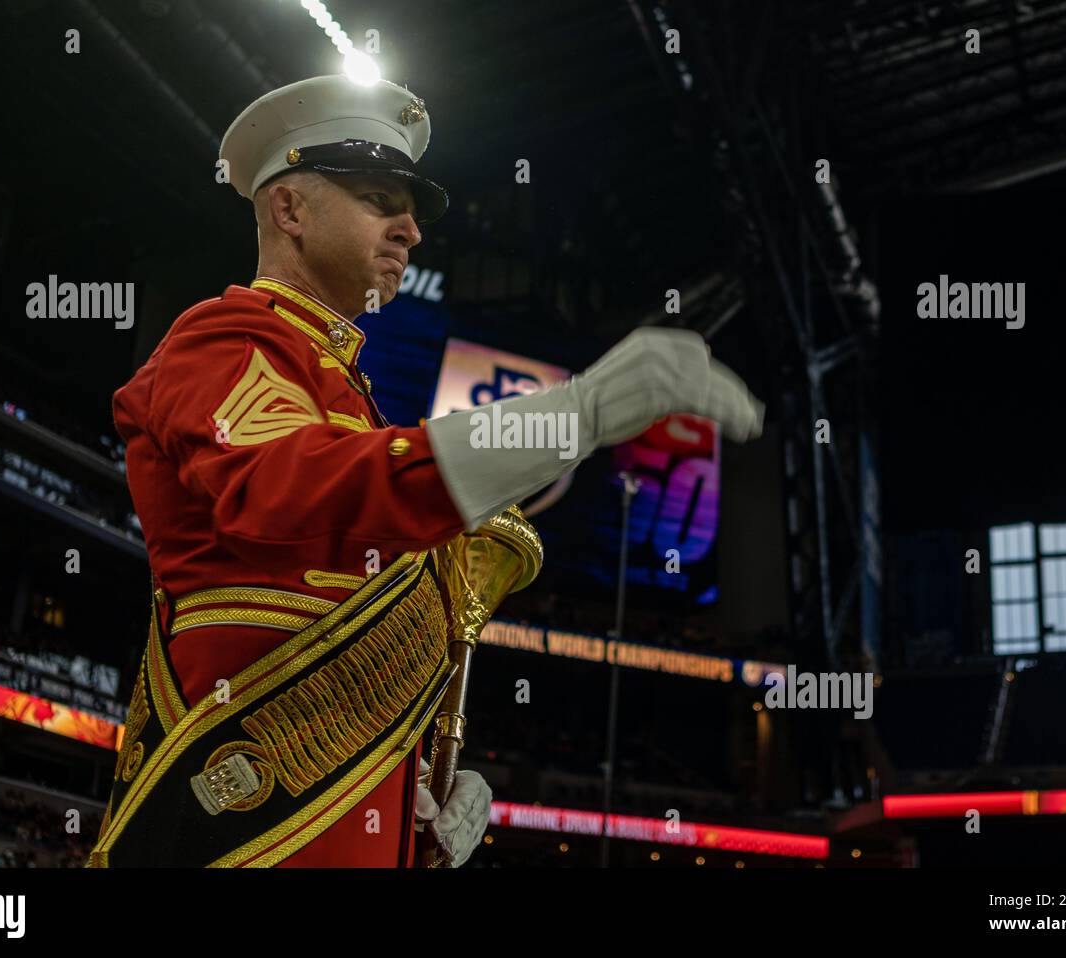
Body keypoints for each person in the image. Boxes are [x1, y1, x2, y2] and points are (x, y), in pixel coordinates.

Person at [92, 75, 763, 869]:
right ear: (290, 210)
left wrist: (409, 785)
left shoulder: (348, 392)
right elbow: (288, 492)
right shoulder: (223, 337)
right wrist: (572, 416)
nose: (411, 230)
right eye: (380, 199)